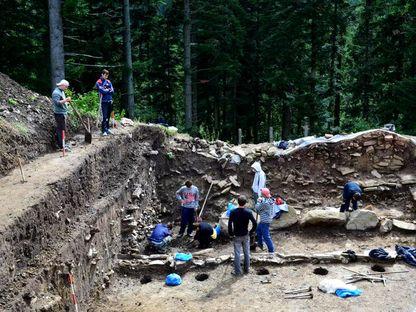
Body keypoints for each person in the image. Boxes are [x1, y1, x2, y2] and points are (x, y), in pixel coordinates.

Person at [228, 195, 257, 276]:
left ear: (238, 202)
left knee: (237, 254)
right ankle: (246, 269)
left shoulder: (233, 212)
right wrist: (251, 232)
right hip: (245, 234)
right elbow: (254, 223)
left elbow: (230, 224)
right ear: (245, 203)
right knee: (247, 252)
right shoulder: (248, 212)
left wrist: (230, 234)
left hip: (236, 235)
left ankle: (237, 272)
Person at [52, 79, 72, 151]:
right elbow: (57, 103)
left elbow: (62, 101)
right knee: (61, 130)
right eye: (66, 87)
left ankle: (63, 144)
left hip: (62, 113)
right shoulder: (56, 93)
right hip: (59, 114)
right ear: (62, 85)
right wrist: (66, 100)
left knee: (62, 129)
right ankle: (61, 146)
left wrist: (66, 102)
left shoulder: (61, 91)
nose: (66, 88)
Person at [255, 188, 275, 254]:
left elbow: (257, 208)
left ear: (263, 194)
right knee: (258, 230)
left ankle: (271, 250)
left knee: (266, 236)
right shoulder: (270, 200)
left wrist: (258, 202)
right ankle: (260, 244)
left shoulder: (265, 203)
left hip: (265, 221)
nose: (260, 194)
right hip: (266, 220)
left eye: (261, 193)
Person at [96, 69, 114, 136]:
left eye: (107, 75)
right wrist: (107, 90)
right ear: (102, 74)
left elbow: (112, 91)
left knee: (109, 116)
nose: (106, 76)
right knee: (104, 116)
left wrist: (107, 89)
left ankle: (107, 128)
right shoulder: (99, 82)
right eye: (105, 75)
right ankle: (103, 130)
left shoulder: (109, 81)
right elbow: (102, 90)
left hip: (110, 100)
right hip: (103, 101)